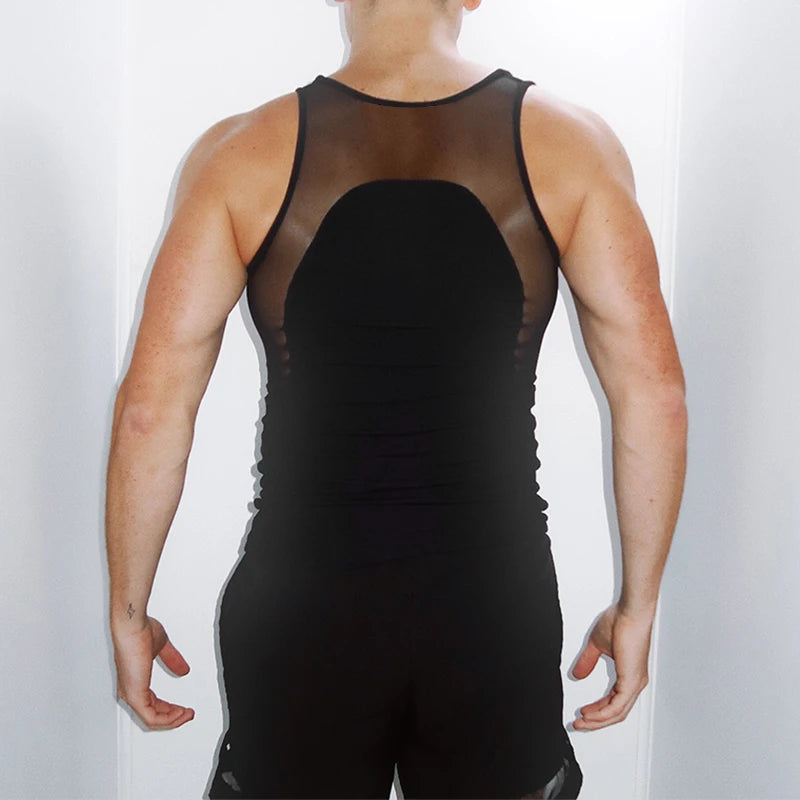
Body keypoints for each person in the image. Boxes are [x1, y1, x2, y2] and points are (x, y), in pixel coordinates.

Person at [105, 0, 688, 797]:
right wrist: (639, 606)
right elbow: (654, 396)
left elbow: (151, 411)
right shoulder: (574, 147)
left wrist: (128, 613)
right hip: (494, 611)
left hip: (301, 614)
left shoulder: (237, 154)